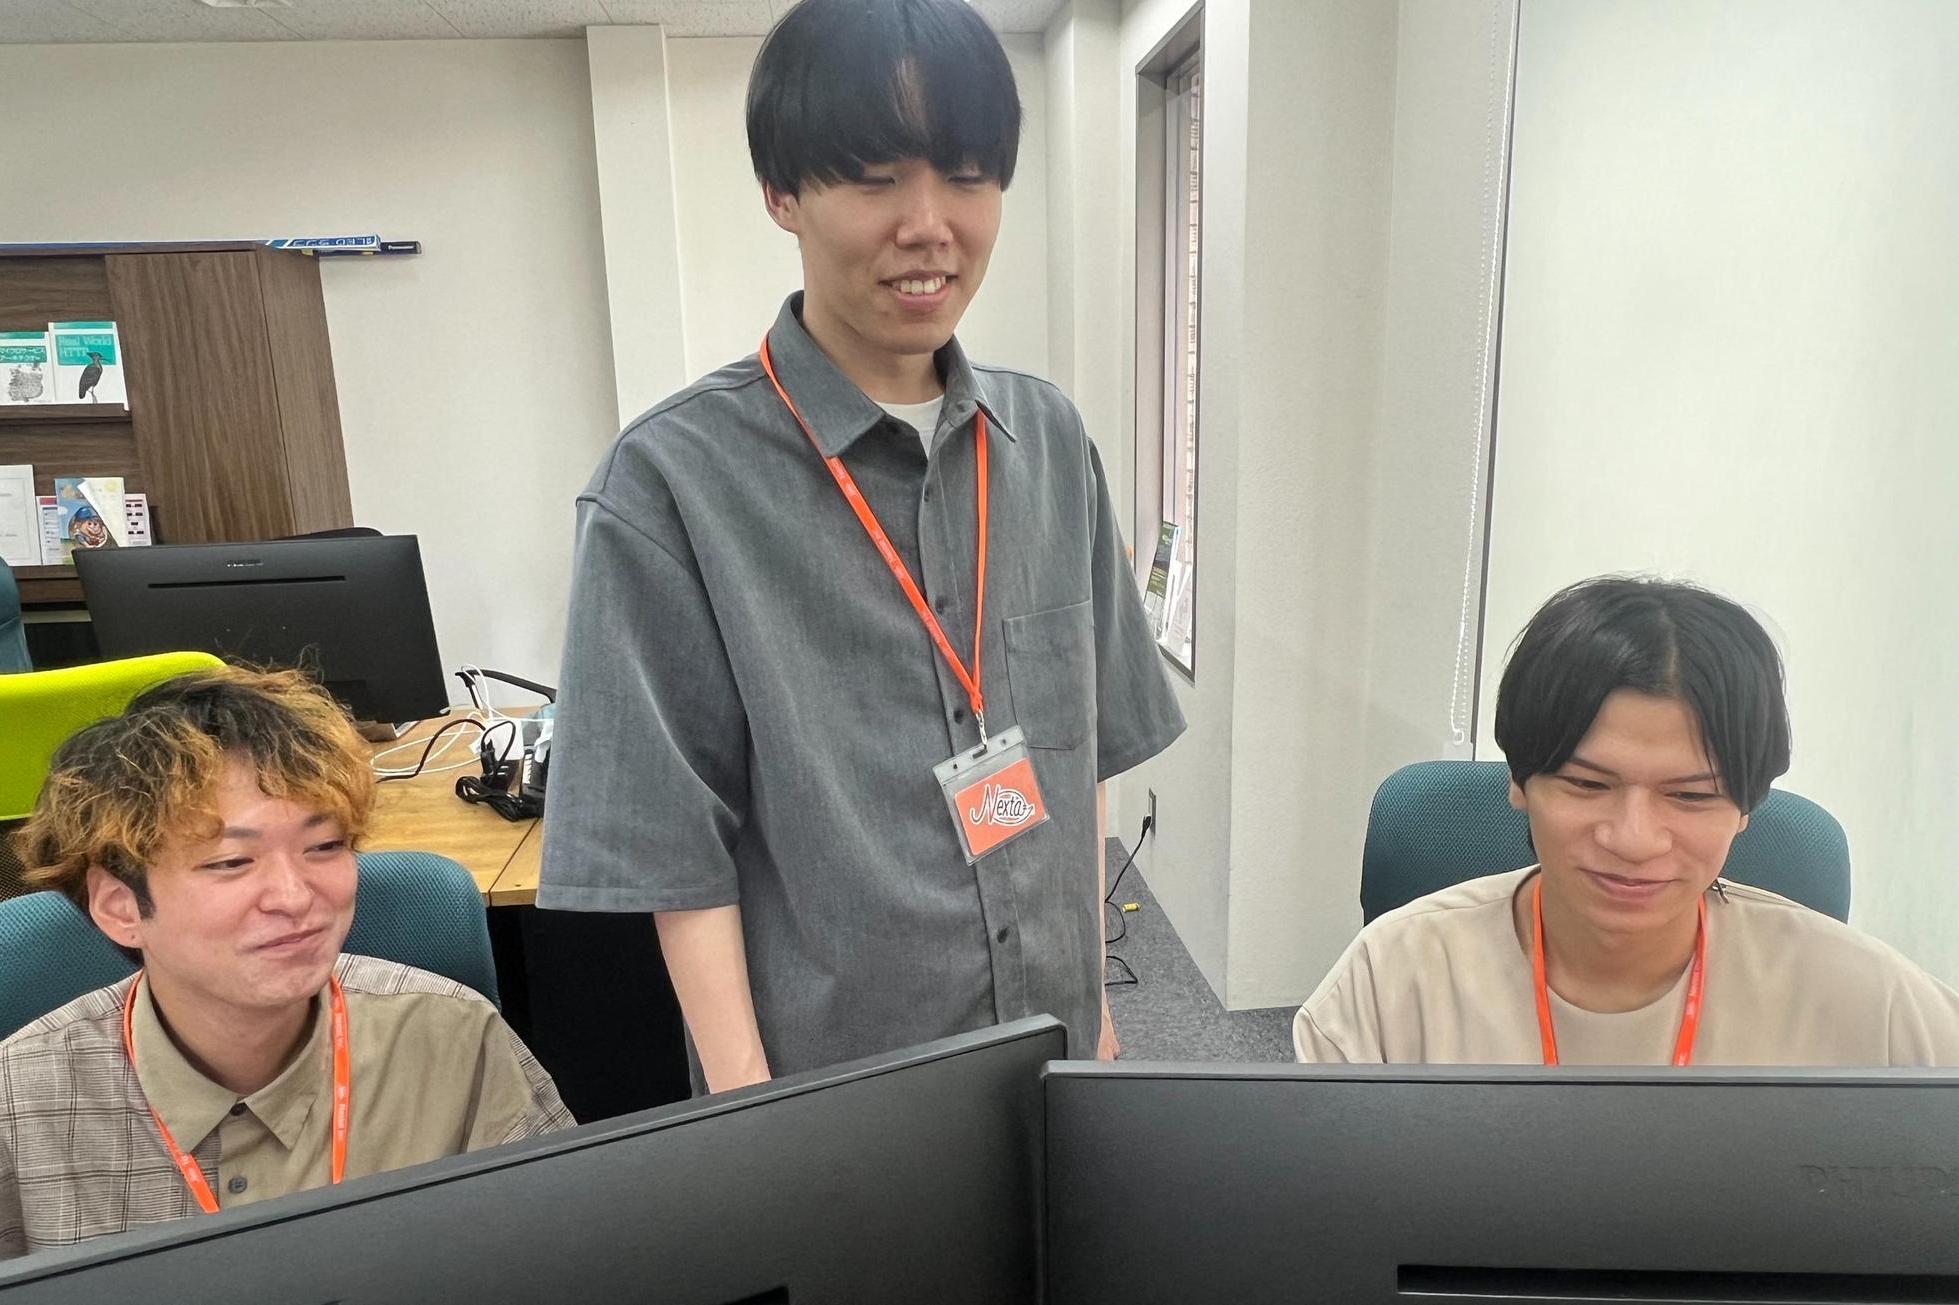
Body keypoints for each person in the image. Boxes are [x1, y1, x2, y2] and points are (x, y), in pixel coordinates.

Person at [539, 0, 1185, 1092]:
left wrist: (1096, 1010)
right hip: (837, 1094)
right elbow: (674, 851)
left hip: (1057, 1055)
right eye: (875, 178)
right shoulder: (669, 485)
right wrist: (750, 1106)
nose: (928, 225)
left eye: (967, 175)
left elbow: (1078, 755)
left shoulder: (1048, 443)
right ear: (782, 193)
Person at [0, 666, 574, 1260]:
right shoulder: (18, 1099)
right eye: (231, 862)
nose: (295, 898)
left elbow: (564, 1263)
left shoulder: (451, 1038)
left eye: (325, 847)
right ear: (120, 906)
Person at [1295, 575, 1959, 1066]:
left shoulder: (1866, 1000)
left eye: (1691, 796)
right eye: (1587, 784)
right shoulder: (1393, 983)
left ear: (1746, 806)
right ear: (1520, 780)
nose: (1633, 839)